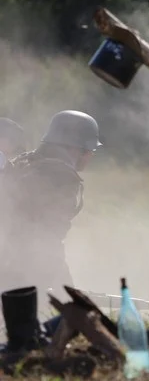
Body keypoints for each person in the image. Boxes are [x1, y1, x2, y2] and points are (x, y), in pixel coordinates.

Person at [0, 110, 101, 295]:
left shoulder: (24, 162)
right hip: (19, 274)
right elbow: (48, 241)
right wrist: (68, 290)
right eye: (90, 151)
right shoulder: (62, 179)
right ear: (78, 149)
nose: (90, 156)